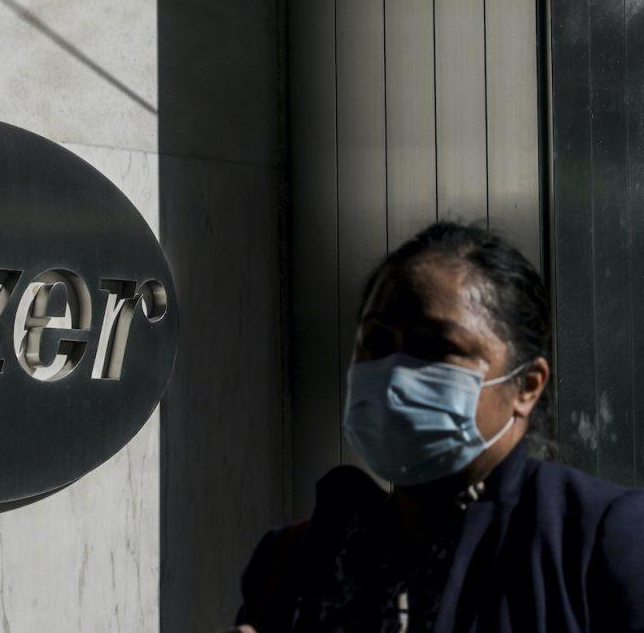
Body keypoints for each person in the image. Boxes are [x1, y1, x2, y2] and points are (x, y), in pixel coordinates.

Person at [232, 221, 644, 632]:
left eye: (433, 347)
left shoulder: (600, 542)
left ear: (527, 385)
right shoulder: (296, 558)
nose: (394, 376)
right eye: (376, 342)